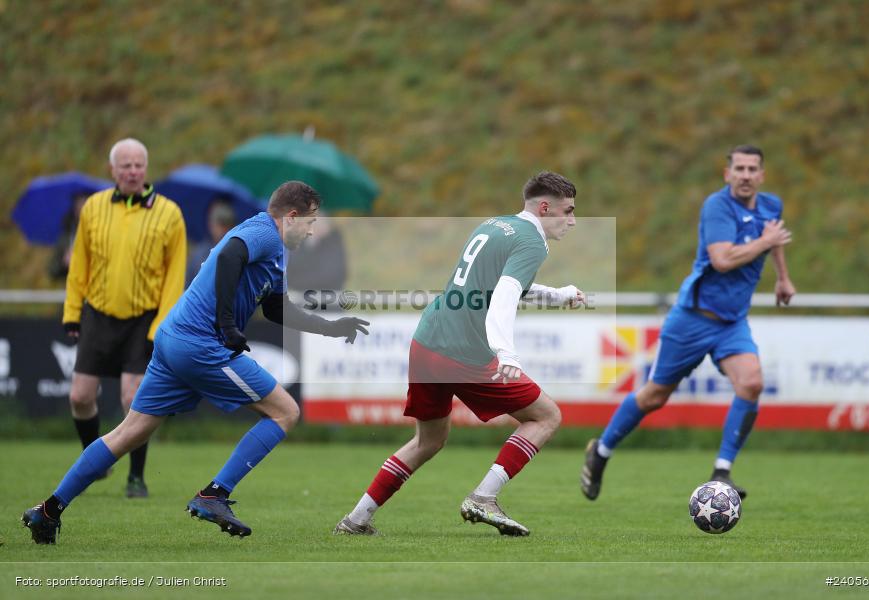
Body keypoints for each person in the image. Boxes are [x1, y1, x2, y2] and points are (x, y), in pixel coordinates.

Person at [22, 181, 370, 544]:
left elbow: (276, 308)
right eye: (311, 221)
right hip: (198, 344)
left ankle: (48, 510)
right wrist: (226, 322)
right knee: (285, 412)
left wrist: (332, 328)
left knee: (129, 432)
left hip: (174, 339)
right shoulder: (264, 232)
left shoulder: (277, 252)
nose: (314, 229)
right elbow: (229, 256)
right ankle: (214, 494)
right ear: (292, 216)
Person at [334, 171, 583, 537]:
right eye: (568, 211)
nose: (574, 221)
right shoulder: (534, 241)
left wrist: (558, 295)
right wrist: (506, 354)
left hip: (427, 340)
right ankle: (484, 497)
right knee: (546, 416)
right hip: (462, 352)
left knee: (428, 441)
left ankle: (355, 520)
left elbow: (499, 285)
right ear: (545, 207)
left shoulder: (495, 225)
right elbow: (504, 296)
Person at [581, 145, 795, 502]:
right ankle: (600, 452)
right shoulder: (717, 207)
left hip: (732, 323)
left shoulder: (771, 205)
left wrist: (783, 278)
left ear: (762, 175)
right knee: (654, 396)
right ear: (727, 174)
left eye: (752, 169)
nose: (745, 175)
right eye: (738, 168)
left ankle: (722, 471)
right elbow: (723, 260)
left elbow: (775, 241)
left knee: (752, 383)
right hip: (693, 319)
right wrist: (765, 241)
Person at [62, 138, 187, 498]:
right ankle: (97, 460)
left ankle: (136, 477)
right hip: (98, 314)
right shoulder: (93, 208)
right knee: (80, 397)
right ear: (112, 170)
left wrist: (160, 325)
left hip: (144, 319)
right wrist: (72, 313)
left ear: (147, 169)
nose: (132, 171)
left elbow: (173, 278)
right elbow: (79, 267)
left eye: (138, 165)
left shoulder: (169, 213)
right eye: (125, 165)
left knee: (134, 399)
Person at [186, 199, 237, 286]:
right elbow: (188, 282)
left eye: (226, 225)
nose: (222, 231)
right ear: (211, 225)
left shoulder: (237, 253)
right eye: (220, 225)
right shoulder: (199, 253)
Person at [47, 192, 89, 281]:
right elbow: (52, 271)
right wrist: (64, 263)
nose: (81, 208)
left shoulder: (100, 233)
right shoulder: (66, 236)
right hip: (72, 289)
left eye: (85, 204)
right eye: (79, 205)